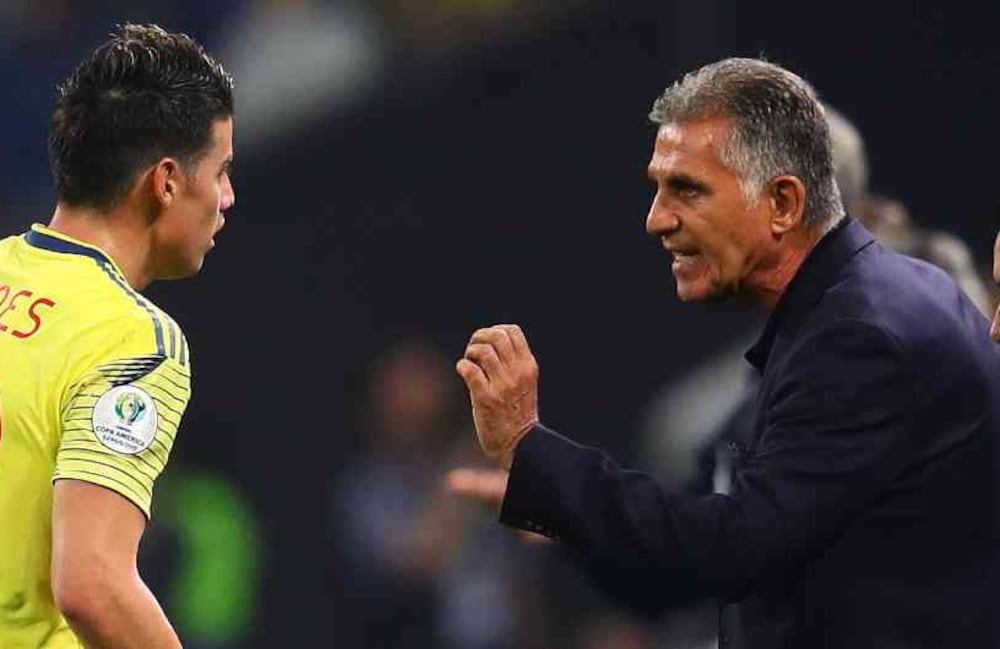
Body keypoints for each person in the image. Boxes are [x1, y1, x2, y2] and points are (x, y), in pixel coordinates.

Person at [451, 58, 1000, 648]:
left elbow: (736, 548)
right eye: (658, 188)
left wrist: (532, 452)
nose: (655, 219)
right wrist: (554, 501)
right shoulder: (851, 312)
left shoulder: (861, 336)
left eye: (687, 188)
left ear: (784, 203)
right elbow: (698, 551)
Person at [0, 24, 234, 648]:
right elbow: (93, 585)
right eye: (221, 171)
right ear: (166, 182)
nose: (227, 198)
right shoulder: (133, 340)